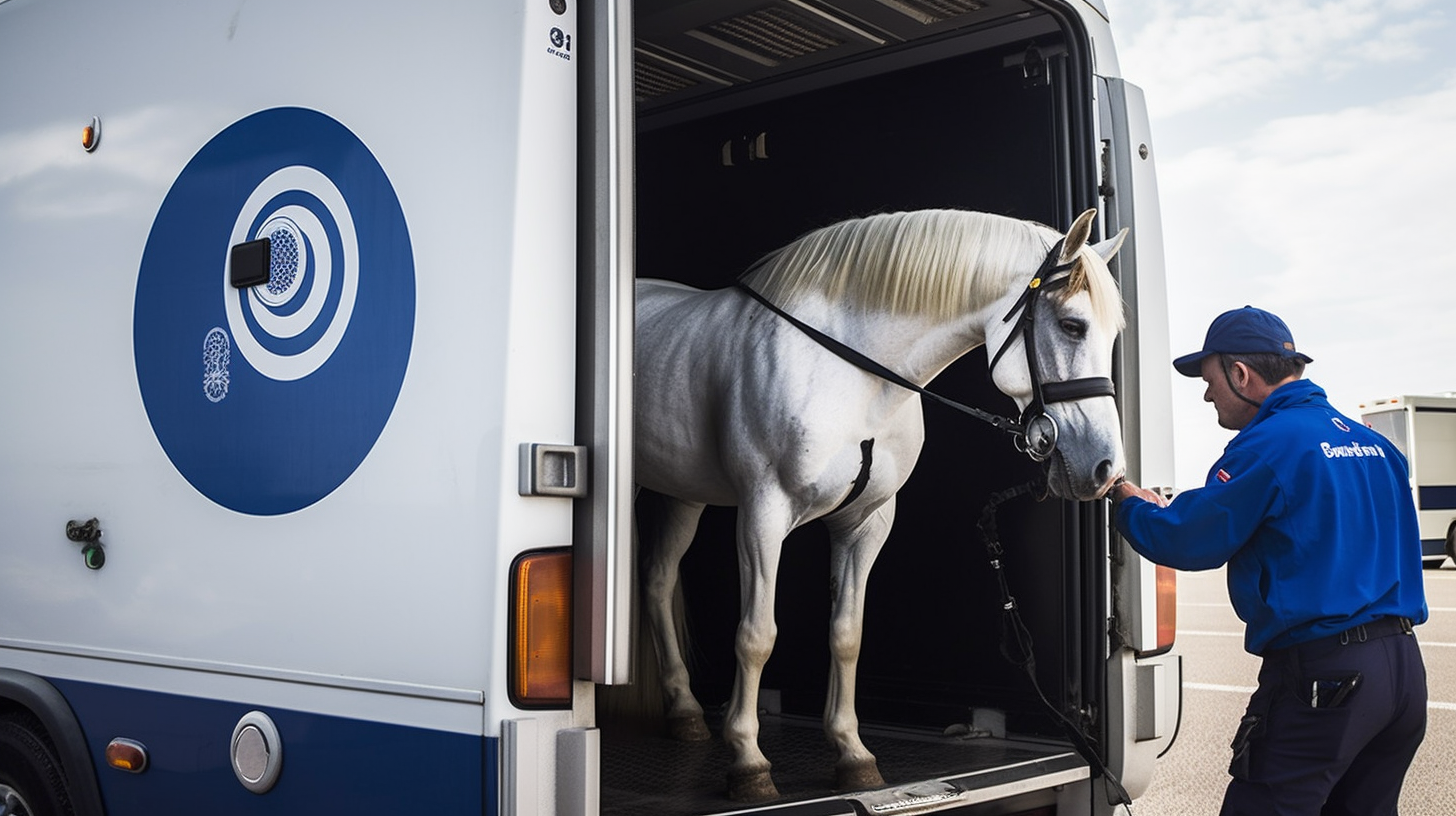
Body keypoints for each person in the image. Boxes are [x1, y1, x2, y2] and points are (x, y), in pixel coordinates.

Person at [1110, 306, 1428, 815]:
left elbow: (1188, 539)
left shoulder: (1268, 446)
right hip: (1404, 678)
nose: (1208, 393)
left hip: (1328, 678)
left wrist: (1123, 500)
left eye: (1210, 379)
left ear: (1241, 374)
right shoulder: (1375, 445)